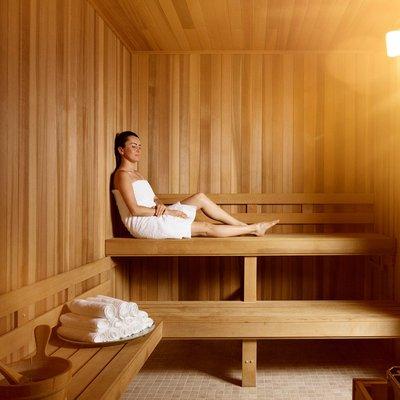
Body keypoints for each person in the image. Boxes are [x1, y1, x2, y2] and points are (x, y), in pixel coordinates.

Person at [112, 131, 279, 239]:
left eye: (140, 147)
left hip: (157, 214)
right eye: (133, 146)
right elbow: (134, 210)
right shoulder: (122, 176)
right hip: (144, 223)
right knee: (205, 228)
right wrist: (169, 211)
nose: (138, 150)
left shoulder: (138, 175)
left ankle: (242, 226)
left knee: (200, 197)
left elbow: (154, 198)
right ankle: (254, 228)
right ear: (121, 150)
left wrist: (160, 205)